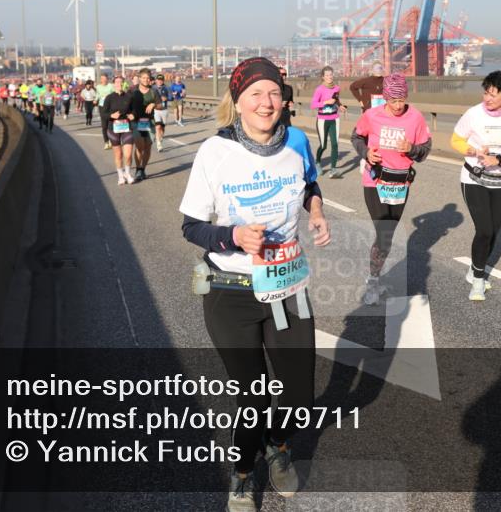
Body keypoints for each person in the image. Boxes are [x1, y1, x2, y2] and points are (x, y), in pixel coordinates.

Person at [179, 57, 331, 512]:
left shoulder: (297, 141)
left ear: (285, 99)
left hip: (287, 284)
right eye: (255, 95)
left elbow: (309, 184)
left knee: (298, 394)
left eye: (274, 94)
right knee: (253, 396)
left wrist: (316, 211)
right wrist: (234, 237)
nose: (267, 103)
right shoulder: (215, 152)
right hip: (231, 291)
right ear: (238, 101)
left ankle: (278, 444)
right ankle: (243, 473)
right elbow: (191, 226)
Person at [350, 74, 432, 305]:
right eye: (393, 100)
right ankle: (373, 282)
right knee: (384, 232)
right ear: (385, 98)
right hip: (375, 181)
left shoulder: (415, 117)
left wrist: (412, 148)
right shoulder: (372, 115)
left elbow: (425, 150)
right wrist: (366, 153)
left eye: (402, 100)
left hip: (400, 184)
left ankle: (375, 276)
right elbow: (356, 137)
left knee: (387, 235)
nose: (398, 105)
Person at [451, 71, 501, 301]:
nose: (487, 99)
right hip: (473, 177)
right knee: (484, 230)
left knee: (494, 232)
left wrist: (500, 159)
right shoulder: (473, 114)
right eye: (485, 93)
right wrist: (473, 151)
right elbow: (455, 140)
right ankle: (478, 280)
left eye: (493, 95)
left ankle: (475, 267)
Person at [310, 66, 347, 178]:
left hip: (335, 119)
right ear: (323, 77)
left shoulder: (337, 88)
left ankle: (333, 170)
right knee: (323, 145)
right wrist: (326, 102)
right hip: (323, 120)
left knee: (335, 144)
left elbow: (336, 100)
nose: (329, 77)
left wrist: (340, 106)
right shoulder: (319, 89)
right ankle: (317, 163)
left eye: (331, 75)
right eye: (327, 75)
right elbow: (313, 105)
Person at [103, 75, 136, 185]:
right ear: (114, 84)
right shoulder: (109, 98)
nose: (119, 84)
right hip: (113, 128)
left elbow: (134, 110)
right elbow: (103, 114)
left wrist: (133, 115)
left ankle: (128, 173)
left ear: (124, 84)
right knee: (118, 155)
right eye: (117, 82)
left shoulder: (129, 97)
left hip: (126, 127)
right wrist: (111, 115)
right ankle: (120, 176)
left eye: (121, 82)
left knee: (128, 154)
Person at [130, 68, 157, 182]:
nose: (146, 80)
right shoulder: (133, 91)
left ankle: (142, 169)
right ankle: (137, 169)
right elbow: (126, 104)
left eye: (148, 78)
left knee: (147, 147)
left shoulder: (153, 91)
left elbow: (161, 105)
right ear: (140, 78)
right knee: (139, 146)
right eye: (144, 78)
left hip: (150, 122)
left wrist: (153, 104)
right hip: (136, 122)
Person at [153, 73, 171, 150]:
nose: (160, 81)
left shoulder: (167, 88)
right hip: (156, 110)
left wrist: (166, 98)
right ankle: (158, 144)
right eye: (158, 80)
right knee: (158, 127)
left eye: (161, 80)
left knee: (162, 127)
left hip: (164, 110)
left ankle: (161, 137)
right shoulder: (153, 88)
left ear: (163, 81)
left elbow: (171, 97)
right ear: (156, 80)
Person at [96, 74, 115, 149]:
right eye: (102, 79)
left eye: (105, 78)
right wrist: (95, 100)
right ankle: (106, 142)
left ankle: (111, 140)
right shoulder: (98, 87)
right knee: (104, 126)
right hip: (102, 106)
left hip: (110, 107)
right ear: (100, 79)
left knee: (110, 124)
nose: (103, 80)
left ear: (107, 79)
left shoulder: (111, 86)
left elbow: (114, 94)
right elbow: (98, 94)